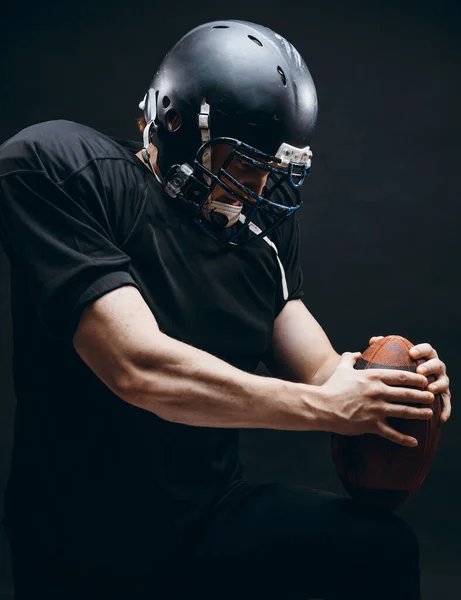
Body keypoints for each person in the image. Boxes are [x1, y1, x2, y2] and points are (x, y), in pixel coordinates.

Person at [0, 19, 451, 600]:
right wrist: (323, 407)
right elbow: (137, 367)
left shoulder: (258, 234)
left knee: (379, 548)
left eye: (274, 166)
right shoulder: (64, 170)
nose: (259, 184)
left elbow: (323, 371)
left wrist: (402, 393)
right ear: (175, 124)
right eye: (242, 162)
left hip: (208, 520)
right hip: (85, 540)